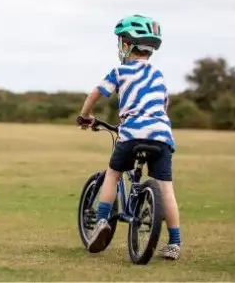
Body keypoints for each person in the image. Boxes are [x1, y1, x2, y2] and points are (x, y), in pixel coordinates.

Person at [77, 14, 181, 260]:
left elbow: (95, 94)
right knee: (166, 189)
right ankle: (175, 242)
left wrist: (85, 116)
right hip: (161, 135)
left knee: (113, 174)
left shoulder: (119, 71)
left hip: (132, 132)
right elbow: (165, 103)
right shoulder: (158, 75)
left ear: (126, 45)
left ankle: (102, 220)